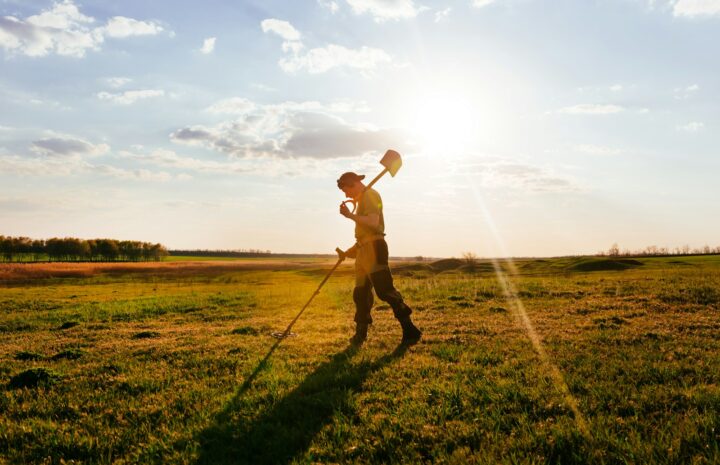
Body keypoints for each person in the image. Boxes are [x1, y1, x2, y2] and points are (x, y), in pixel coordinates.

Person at [337, 171, 422, 345]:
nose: (346, 195)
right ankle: (360, 335)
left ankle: (410, 330)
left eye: (346, 190)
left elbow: (374, 223)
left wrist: (350, 216)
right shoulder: (362, 199)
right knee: (360, 294)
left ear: (352, 183)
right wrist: (351, 251)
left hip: (375, 249)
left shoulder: (370, 195)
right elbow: (365, 233)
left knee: (385, 290)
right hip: (363, 249)